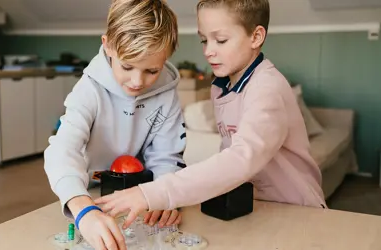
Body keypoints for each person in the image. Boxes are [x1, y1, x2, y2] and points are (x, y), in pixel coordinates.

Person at [95, 0, 327, 229]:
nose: (208, 51)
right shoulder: (220, 87)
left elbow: (241, 158)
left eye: (221, 40)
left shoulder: (267, 88)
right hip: (253, 208)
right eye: (204, 40)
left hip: (297, 211)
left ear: (256, 37)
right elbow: (226, 154)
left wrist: (154, 193)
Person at [43, 0, 186, 249]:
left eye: (151, 71)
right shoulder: (88, 90)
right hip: (90, 191)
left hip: (140, 194)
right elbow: (62, 150)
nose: (137, 81)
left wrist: (165, 195)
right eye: (127, 66)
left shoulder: (167, 94)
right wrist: (82, 208)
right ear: (107, 46)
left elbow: (166, 157)